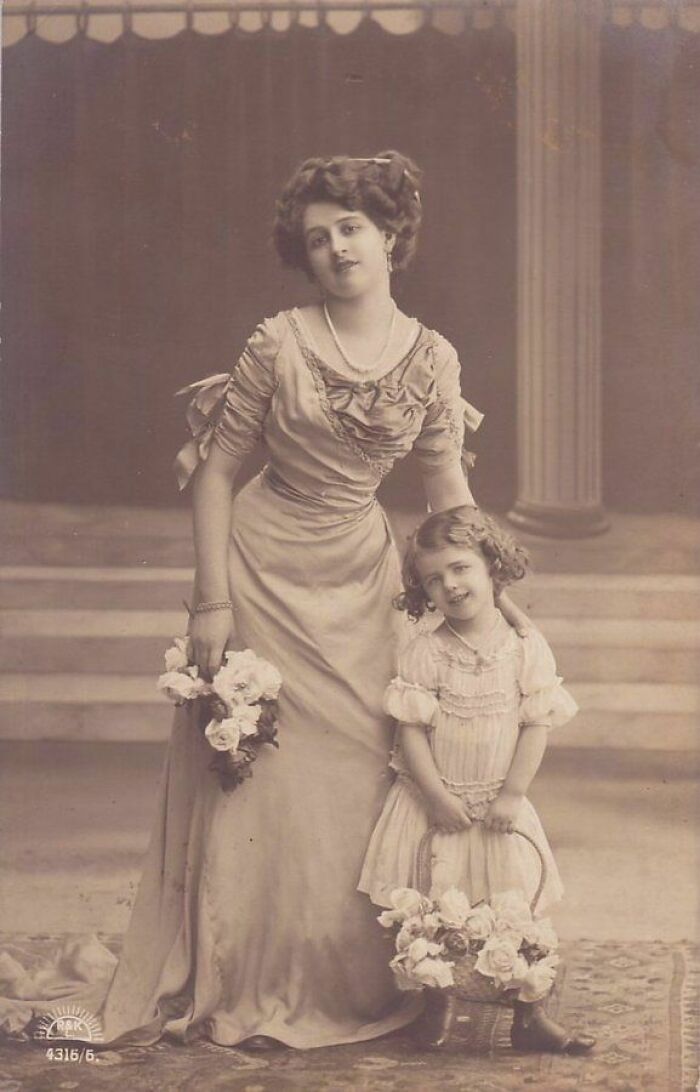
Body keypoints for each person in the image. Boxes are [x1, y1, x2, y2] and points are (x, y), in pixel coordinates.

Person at [0, 152, 527, 1048]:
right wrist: (212, 604)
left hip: (361, 575)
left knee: (362, 771)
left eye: (353, 228)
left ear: (392, 236)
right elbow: (215, 474)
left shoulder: (433, 357)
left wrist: (492, 594)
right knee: (262, 783)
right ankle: (244, 972)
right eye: (317, 238)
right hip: (258, 566)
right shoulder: (277, 341)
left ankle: (348, 978)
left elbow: (445, 484)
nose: (336, 249)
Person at [358, 505, 596, 1055]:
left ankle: (529, 1014)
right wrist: (435, 797)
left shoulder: (524, 647)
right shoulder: (424, 650)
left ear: (492, 566)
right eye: (434, 579)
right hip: (433, 803)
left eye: (461, 568)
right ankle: (436, 1006)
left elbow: (537, 723)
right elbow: (411, 733)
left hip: (498, 803)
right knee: (434, 906)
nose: (450, 585)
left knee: (516, 904)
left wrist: (512, 794)